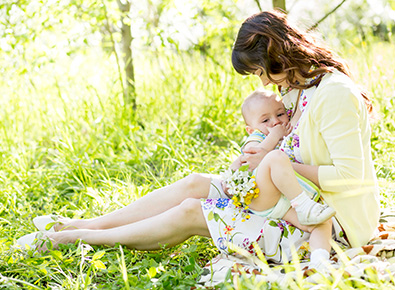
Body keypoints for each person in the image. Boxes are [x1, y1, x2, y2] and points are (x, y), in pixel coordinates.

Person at [17, 10, 379, 271]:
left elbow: (351, 177)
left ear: (281, 55)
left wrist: (275, 165)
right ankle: (86, 225)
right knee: (196, 184)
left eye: (261, 71)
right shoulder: (295, 90)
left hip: (325, 223)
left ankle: (74, 240)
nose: (265, 83)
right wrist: (257, 160)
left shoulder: (334, 94)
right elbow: (281, 145)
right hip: (287, 195)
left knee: (192, 211)